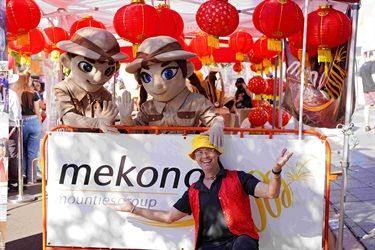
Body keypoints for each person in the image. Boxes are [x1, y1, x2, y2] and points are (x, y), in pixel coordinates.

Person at [108, 134, 293, 250]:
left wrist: (276, 171)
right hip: (208, 246)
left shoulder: (238, 178)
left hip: (238, 242)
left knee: (243, 244)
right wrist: (133, 209)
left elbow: (271, 193)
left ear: (217, 153)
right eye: (199, 153)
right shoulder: (194, 190)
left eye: (208, 151)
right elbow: (168, 217)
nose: (205, 156)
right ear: (195, 158)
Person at [118, 36, 224, 147]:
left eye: (168, 73)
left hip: (187, 155)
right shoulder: (147, 108)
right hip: (157, 158)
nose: (157, 84)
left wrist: (217, 125)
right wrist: (127, 120)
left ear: (186, 70)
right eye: (147, 77)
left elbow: (214, 118)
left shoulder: (196, 102)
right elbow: (137, 132)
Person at [54, 27, 129, 133]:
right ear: (66, 61)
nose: (98, 78)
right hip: (73, 145)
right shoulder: (63, 88)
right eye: (87, 67)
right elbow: (67, 117)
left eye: (108, 70)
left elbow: (108, 122)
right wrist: (96, 122)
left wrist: (124, 118)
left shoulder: (105, 94)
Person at [11, 72, 42, 183]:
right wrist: (40, 124)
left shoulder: (15, 94)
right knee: (32, 152)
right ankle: (31, 178)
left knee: (22, 151)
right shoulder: (32, 94)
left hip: (20, 123)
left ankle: (22, 175)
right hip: (33, 121)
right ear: (26, 80)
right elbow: (38, 112)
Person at [8, 74, 22, 189]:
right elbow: (17, 113)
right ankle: (13, 181)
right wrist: (18, 125)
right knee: (12, 154)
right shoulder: (12, 95)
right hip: (11, 126)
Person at [359, 52, 375, 132]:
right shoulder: (373, 64)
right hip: (373, 88)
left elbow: (361, 77)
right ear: (372, 56)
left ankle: (367, 125)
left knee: (367, 106)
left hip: (366, 89)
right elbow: (373, 76)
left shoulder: (363, 66)